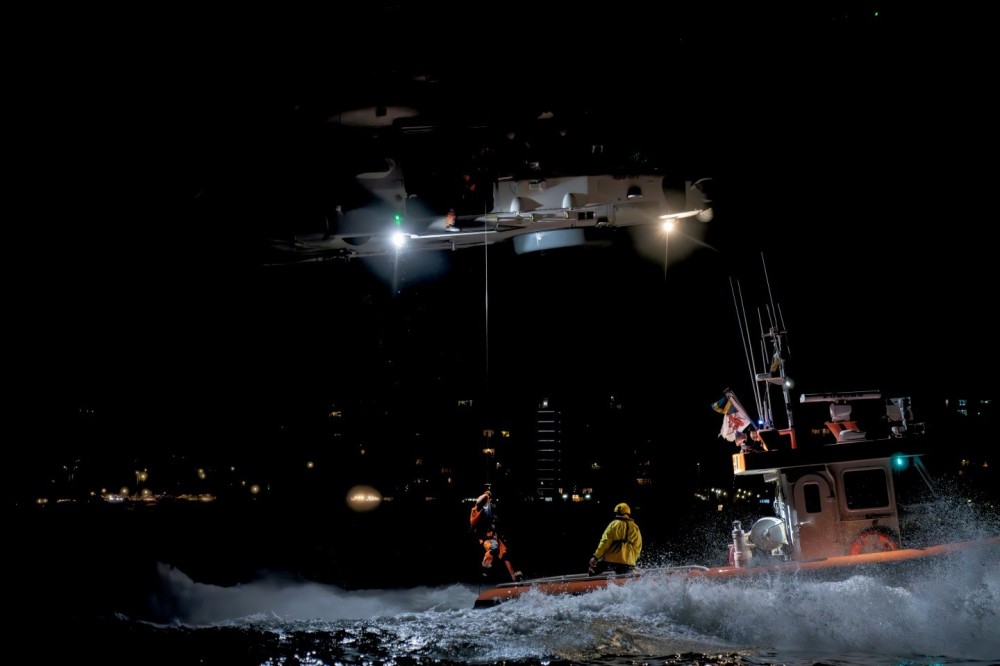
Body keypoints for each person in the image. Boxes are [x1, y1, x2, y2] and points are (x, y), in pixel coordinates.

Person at [470, 487, 522, 582]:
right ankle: (484, 567)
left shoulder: (491, 512)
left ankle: (516, 580)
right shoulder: (476, 513)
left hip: (496, 539)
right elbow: (478, 501)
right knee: (494, 549)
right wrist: (486, 494)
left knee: (507, 555)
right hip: (486, 540)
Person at [589, 502, 642, 575]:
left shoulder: (613, 524)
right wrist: (632, 562)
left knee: (592, 572)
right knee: (625, 580)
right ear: (628, 513)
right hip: (626, 561)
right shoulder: (635, 527)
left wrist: (596, 557)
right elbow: (637, 546)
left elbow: (604, 542)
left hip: (609, 559)